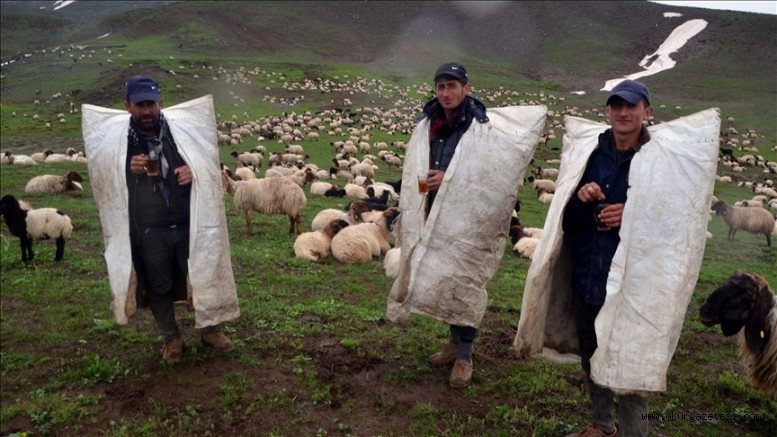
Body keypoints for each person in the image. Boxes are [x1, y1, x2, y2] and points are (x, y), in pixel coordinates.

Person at [561, 79, 653, 437]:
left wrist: (632, 214)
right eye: (616, 105)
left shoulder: (657, 162)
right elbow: (568, 223)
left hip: (633, 284)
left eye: (631, 106)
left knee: (631, 363)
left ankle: (634, 432)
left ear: (647, 111)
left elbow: (673, 227)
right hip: (589, 274)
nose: (623, 112)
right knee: (592, 354)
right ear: (607, 111)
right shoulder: (590, 156)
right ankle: (602, 425)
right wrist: (581, 198)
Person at [123, 75, 236, 363]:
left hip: (188, 221)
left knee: (202, 274)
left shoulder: (181, 133)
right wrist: (128, 168)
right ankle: (171, 338)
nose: (146, 111)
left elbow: (207, 164)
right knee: (158, 284)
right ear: (128, 106)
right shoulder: (121, 142)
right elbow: (109, 187)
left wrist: (193, 171)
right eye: (140, 105)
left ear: (160, 103)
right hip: (150, 228)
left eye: (151, 104)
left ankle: (210, 329)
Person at [417, 62, 490, 388]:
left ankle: (465, 355)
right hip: (434, 213)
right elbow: (420, 169)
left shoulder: (479, 127)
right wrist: (421, 193)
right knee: (445, 279)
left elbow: (488, 175)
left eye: (452, 86)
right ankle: (453, 342)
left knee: (466, 283)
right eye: (441, 87)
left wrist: (449, 179)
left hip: (468, 219)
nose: (446, 93)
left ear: (466, 88)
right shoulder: (427, 123)